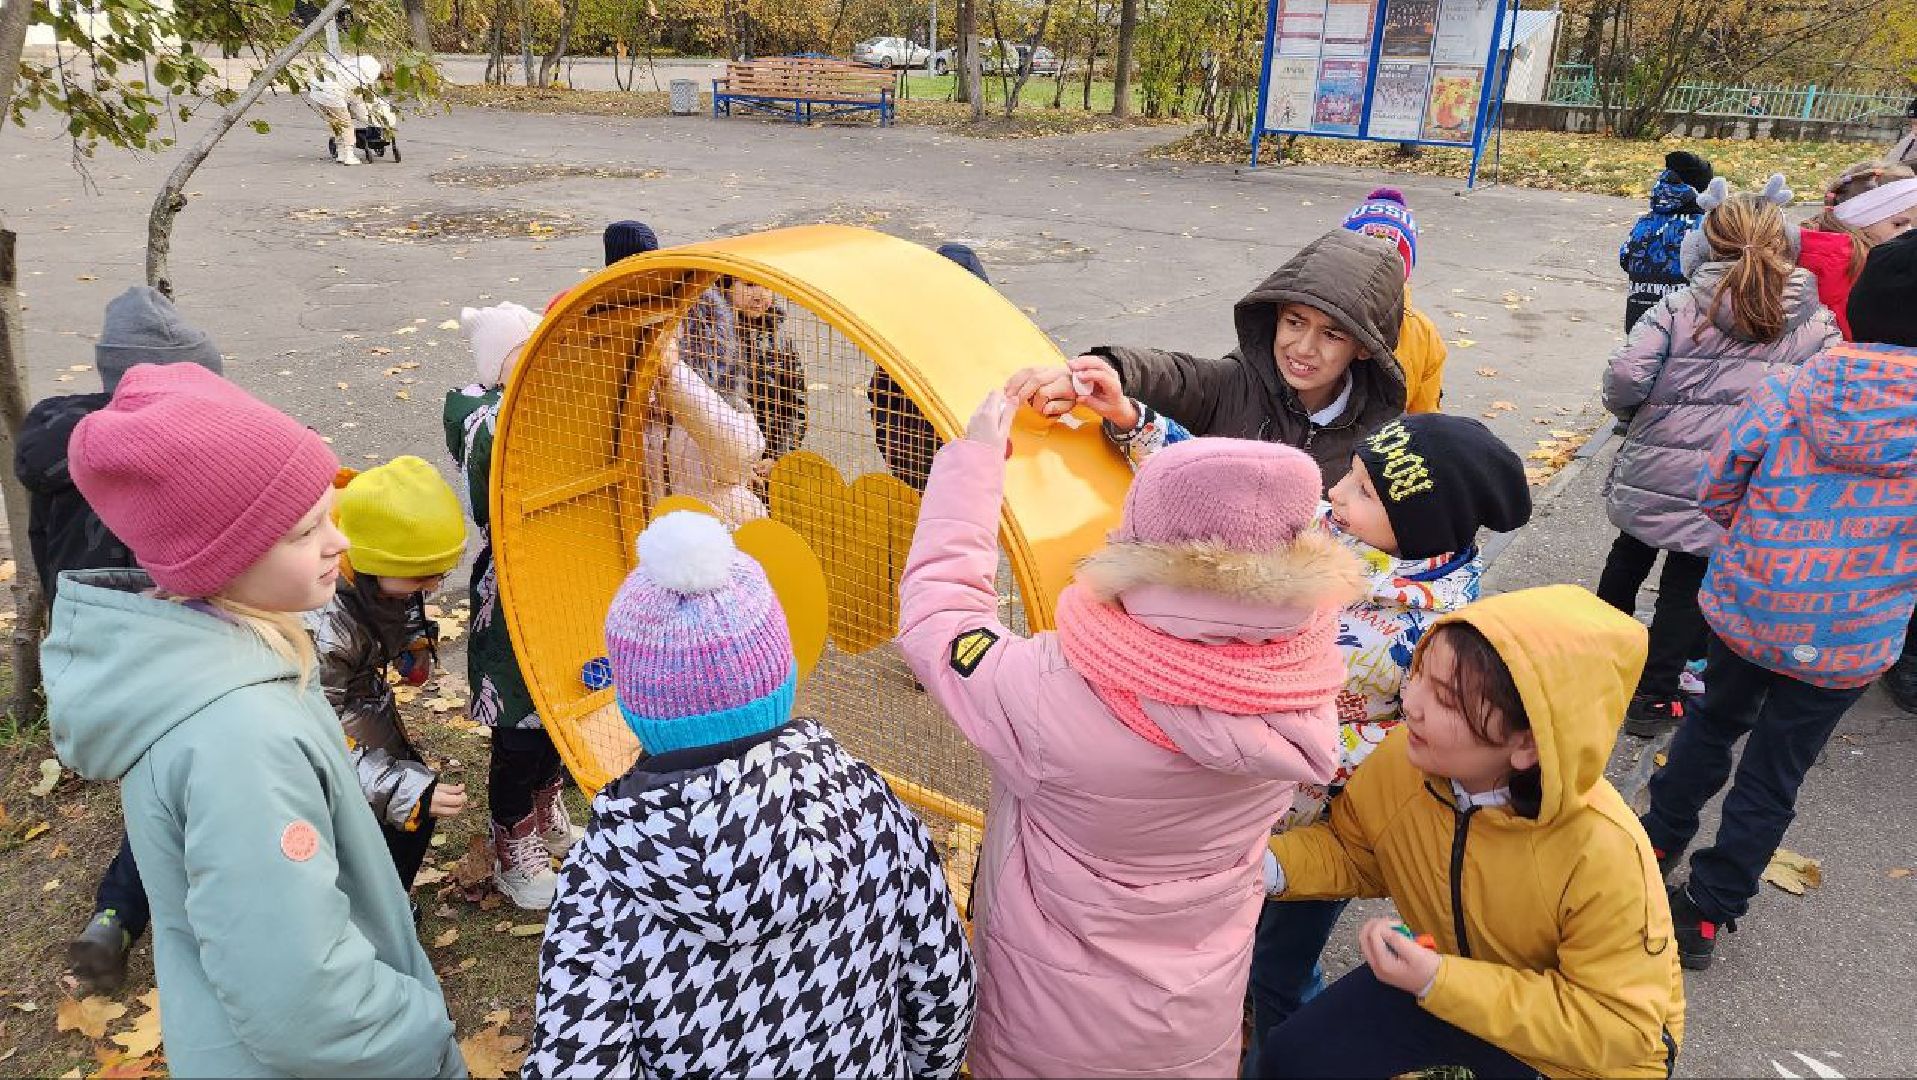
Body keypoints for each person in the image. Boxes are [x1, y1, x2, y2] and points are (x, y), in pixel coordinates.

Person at [899, 394, 1360, 1077]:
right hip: (1189, 1020)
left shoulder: (1048, 690)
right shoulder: (1302, 683)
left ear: (1142, 540)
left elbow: (939, 615)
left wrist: (971, 466)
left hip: (1045, 1025)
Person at [45, 364, 464, 1077]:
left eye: (331, 515)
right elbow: (307, 1005)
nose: (339, 543)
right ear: (221, 559)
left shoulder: (240, 657)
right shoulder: (240, 740)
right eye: (306, 530)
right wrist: (418, 1035)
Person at [524, 511, 975, 1077]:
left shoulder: (606, 870)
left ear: (634, 705)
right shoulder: (870, 807)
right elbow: (943, 990)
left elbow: (577, 1063)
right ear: (781, 675)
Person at [1259, 586, 1686, 1079]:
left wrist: (1439, 980)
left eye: (1447, 699)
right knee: (1293, 1056)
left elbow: (1617, 1028)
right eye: (1418, 673)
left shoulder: (1604, 852)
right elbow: (1357, 850)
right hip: (1444, 980)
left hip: (1574, 1058)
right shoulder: (1408, 759)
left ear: (1528, 743)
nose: (1412, 703)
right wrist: (1260, 867)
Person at [1643, 233, 1917, 969]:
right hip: (1848, 637)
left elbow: (1717, 487)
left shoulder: (1794, 387)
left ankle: (1653, 841)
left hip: (1752, 604)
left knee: (1710, 725)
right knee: (1776, 768)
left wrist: (1762, 543)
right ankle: (1705, 912)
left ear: (1856, 305)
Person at [1241, 414, 1532, 1070]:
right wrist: (1135, 423)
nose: (1337, 493)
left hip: (1326, 826)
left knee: (1277, 969)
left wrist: (1288, 736)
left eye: (1364, 490)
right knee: (1236, 941)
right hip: (1249, 789)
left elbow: (1409, 741)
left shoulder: (1438, 634)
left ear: (1420, 527)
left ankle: (1283, 1061)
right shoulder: (1334, 529)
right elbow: (1228, 492)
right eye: (1349, 473)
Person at [16, 287, 221, 993]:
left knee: (150, 781)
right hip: (174, 646)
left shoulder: (58, 446)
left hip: (95, 653)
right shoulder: (178, 454)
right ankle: (171, 906)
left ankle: (114, 916)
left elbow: (46, 554)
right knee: (183, 784)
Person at [1599, 187, 1840, 738]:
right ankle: (1653, 697)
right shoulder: (1814, 320)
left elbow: (1627, 378)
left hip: (1654, 460)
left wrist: (1636, 413)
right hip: (1731, 479)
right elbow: (1815, 401)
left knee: (1630, 553)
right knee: (1688, 583)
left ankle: (1595, 660)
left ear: (1704, 245)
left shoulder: (1680, 306)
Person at [1006, 229, 1408, 490]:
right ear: (1275, 317)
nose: (1303, 348)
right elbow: (1166, 375)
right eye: (1294, 322)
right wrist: (1095, 373)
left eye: (1331, 334)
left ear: (1363, 347)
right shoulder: (1232, 385)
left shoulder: (1380, 438)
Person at [446, 302, 582, 911]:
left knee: (559, 713)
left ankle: (547, 807)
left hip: (562, 581)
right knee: (518, 731)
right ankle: (513, 842)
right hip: (512, 593)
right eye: (524, 353)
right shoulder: (484, 419)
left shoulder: (546, 406)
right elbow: (499, 450)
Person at [308, 457, 470, 893]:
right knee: (391, 822)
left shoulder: (371, 570)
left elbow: (397, 604)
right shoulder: (321, 630)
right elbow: (316, 742)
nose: (433, 587)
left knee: (410, 811)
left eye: (439, 577)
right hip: (340, 739)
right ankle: (376, 918)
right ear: (370, 562)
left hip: (363, 710)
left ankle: (390, 901)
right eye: (422, 578)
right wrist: (403, 789)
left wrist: (413, 642)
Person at [868, 242, 989, 491]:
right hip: (915, 460)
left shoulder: (989, 338)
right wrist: (899, 456)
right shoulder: (907, 338)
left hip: (970, 464)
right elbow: (881, 398)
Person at [1341, 188, 1447, 410]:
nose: (1376, 271)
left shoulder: (1423, 334)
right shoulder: (1315, 313)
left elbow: (1425, 416)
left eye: (1390, 260)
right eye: (1365, 256)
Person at [1797, 160, 1917, 339]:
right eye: (1899, 224)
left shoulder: (1820, 244)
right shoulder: (1847, 262)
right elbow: (1850, 333)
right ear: (1859, 220)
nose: (1910, 233)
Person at [1621, 151, 1714, 333]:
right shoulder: (1702, 226)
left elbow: (1624, 257)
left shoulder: (1644, 223)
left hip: (1640, 313)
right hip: (1682, 319)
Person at [305, 52, 382, 166]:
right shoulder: (361, 78)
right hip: (331, 93)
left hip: (318, 92)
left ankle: (341, 153)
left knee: (336, 123)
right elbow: (357, 101)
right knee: (346, 125)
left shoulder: (348, 67)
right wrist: (370, 118)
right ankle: (349, 155)